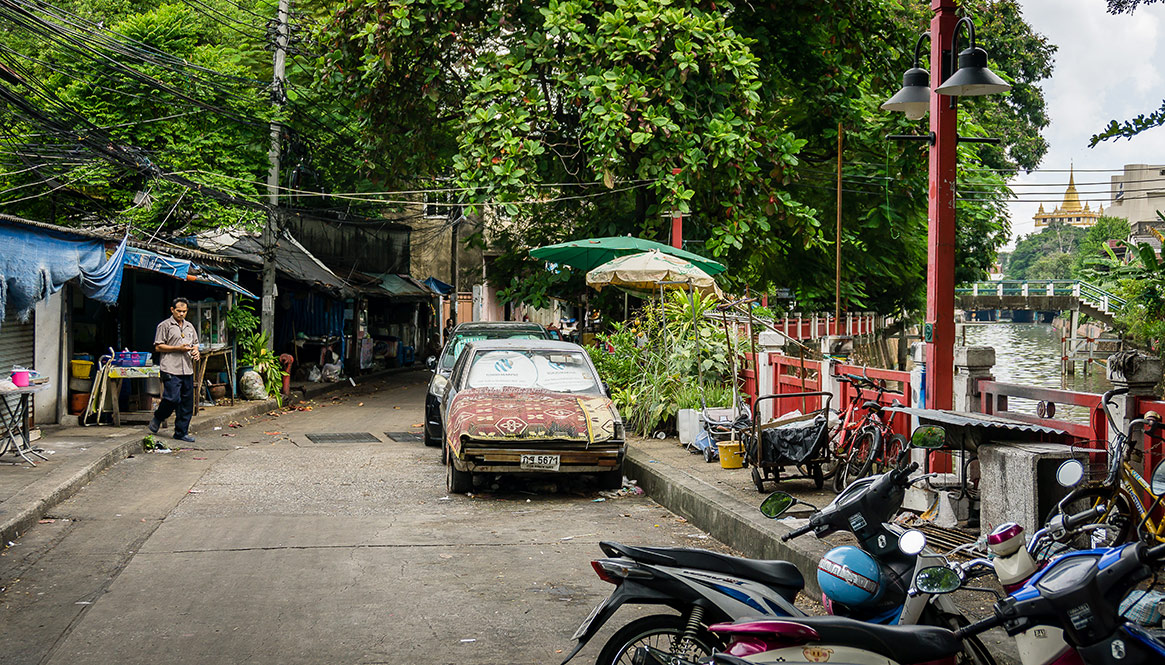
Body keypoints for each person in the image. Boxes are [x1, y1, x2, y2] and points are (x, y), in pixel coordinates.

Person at [148, 297, 200, 443]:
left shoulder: (190, 326)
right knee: (172, 398)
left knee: (186, 402)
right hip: (170, 368)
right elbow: (158, 346)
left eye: (184, 311)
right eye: (179, 311)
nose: (181, 314)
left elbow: (195, 344)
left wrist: (196, 351)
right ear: (172, 310)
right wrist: (178, 348)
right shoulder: (164, 326)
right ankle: (158, 417)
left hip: (187, 369)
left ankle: (181, 432)